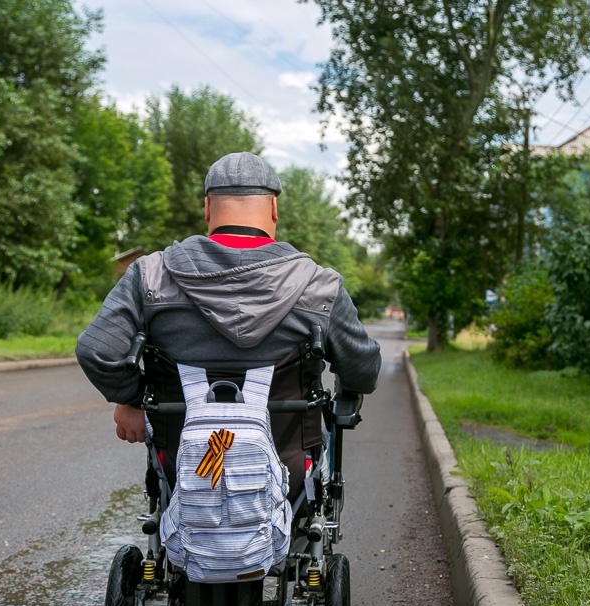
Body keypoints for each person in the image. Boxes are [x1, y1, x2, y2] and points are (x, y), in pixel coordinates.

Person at [76, 152, 381, 491]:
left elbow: (96, 351)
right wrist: (350, 389)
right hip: (289, 472)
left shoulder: (149, 276)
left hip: (185, 469)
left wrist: (133, 397)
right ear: (274, 209)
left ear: (207, 208)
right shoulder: (319, 286)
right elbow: (363, 369)